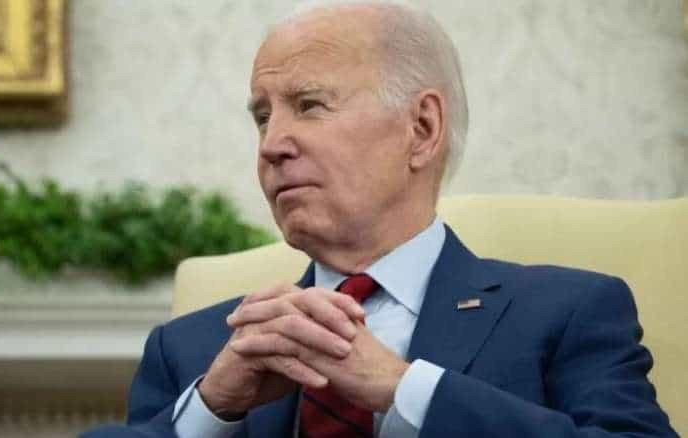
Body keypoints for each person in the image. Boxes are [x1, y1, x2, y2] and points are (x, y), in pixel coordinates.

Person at [82, 1, 677, 437]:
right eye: (263, 117)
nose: (272, 145)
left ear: (422, 129)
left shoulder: (565, 313)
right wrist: (211, 411)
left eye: (309, 105)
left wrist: (403, 389)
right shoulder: (197, 349)